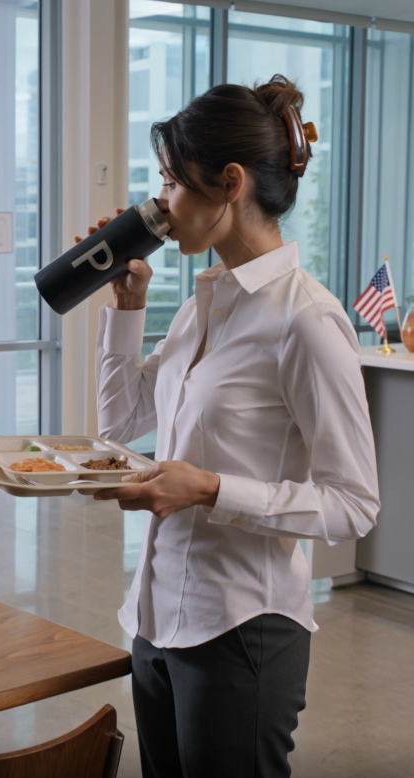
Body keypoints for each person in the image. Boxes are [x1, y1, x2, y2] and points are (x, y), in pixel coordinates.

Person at [91, 75, 380, 778]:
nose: (159, 204)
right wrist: (126, 309)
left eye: (169, 182)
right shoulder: (202, 307)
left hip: (242, 631)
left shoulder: (305, 321)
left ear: (228, 183)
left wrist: (212, 489)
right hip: (155, 622)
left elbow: (354, 505)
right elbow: (120, 424)